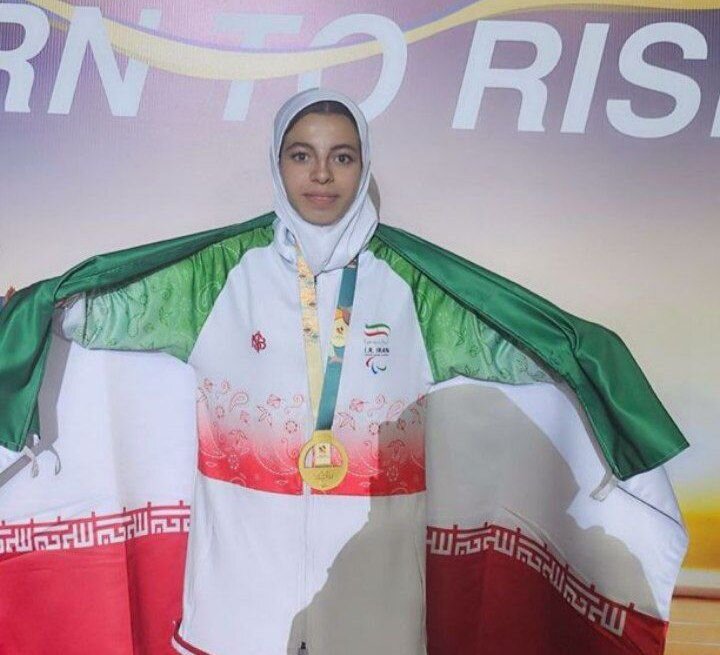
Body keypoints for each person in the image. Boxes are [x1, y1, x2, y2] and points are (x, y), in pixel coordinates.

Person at [0, 89, 689, 655]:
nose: (321, 175)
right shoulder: (215, 275)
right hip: (240, 587)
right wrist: (27, 315)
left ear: (364, 167)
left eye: (342, 156)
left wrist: (589, 358)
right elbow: (103, 310)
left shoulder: (416, 285)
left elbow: (516, 342)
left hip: (371, 587)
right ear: (277, 164)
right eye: (301, 155)